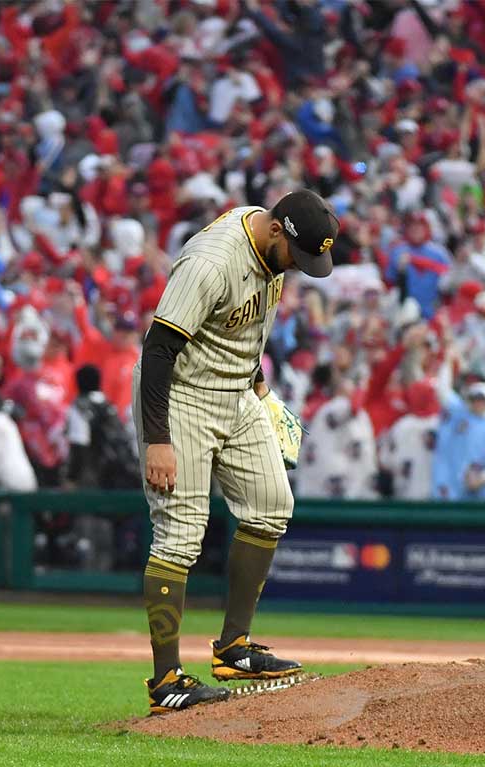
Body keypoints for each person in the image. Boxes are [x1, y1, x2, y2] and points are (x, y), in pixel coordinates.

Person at [134, 189, 339, 715]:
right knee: (179, 536)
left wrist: (263, 392)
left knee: (273, 505)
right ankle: (166, 681)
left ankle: (234, 647)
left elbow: (243, 333)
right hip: (181, 397)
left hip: (236, 394)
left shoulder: (273, 250)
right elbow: (158, 351)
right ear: (277, 231)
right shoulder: (212, 262)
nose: (299, 266)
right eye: (299, 255)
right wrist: (158, 439)